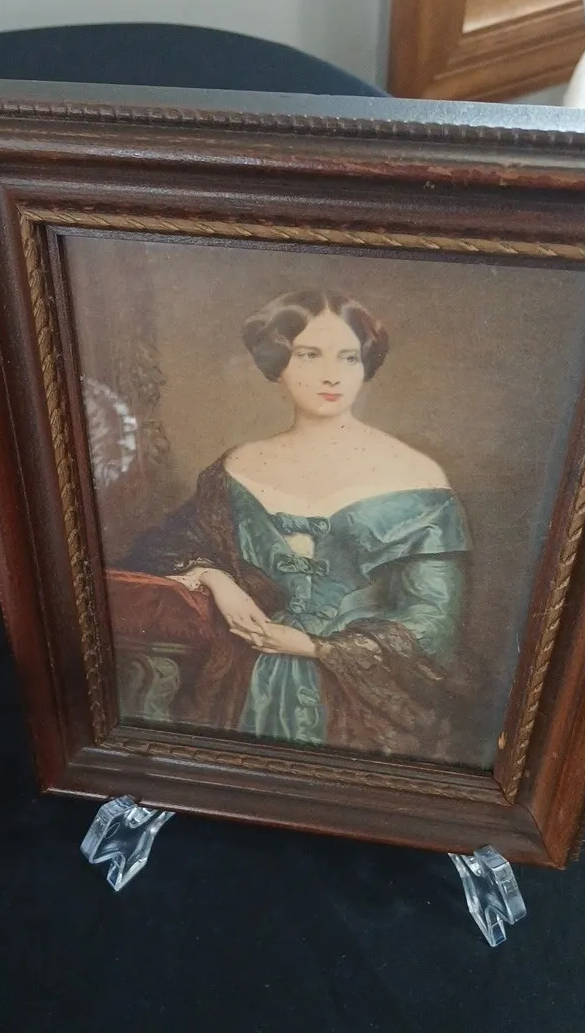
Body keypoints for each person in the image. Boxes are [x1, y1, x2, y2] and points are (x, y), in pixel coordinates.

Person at [123, 289, 472, 760]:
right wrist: (217, 579)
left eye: (348, 357)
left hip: (366, 705)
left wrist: (314, 647)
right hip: (244, 684)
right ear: (278, 363)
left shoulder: (418, 477)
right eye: (310, 355)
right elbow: (161, 548)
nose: (332, 375)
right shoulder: (235, 468)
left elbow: (434, 623)